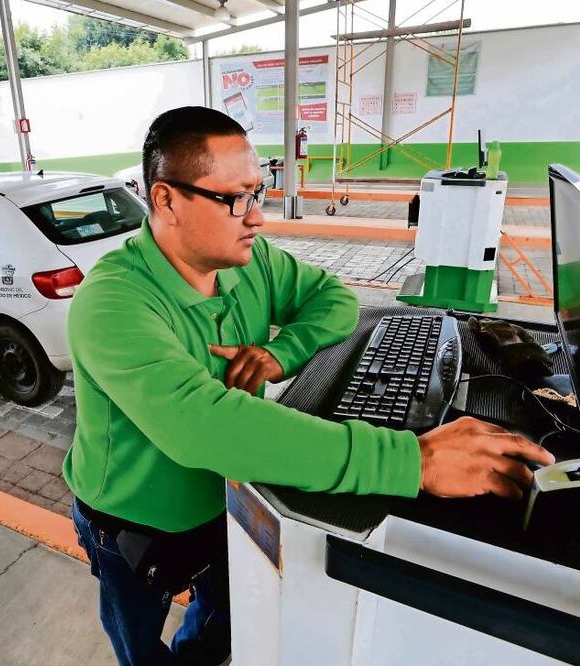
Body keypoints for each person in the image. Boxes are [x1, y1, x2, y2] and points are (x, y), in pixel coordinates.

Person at [62, 106, 554, 666]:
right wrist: (411, 460)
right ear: (166, 199)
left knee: (223, 619)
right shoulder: (112, 302)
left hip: (230, 498)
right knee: (138, 644)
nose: (257, 218)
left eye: (258, 192)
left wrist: (281, 353)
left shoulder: (247, 262)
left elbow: (336, 299)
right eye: (235, 199)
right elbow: (203, 425)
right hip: (131, 525)